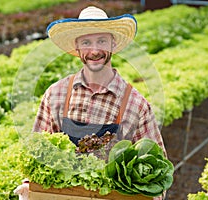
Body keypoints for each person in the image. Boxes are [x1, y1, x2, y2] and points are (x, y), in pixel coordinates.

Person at [15, 6, 166, 200]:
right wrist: (30, 186)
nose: (95, 50)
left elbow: (158, 173)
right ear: (77, 49)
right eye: (86, 42)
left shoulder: (136, 105)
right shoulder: (56, 95)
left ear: (112, 44)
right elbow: (37, 155)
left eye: (101, 41)